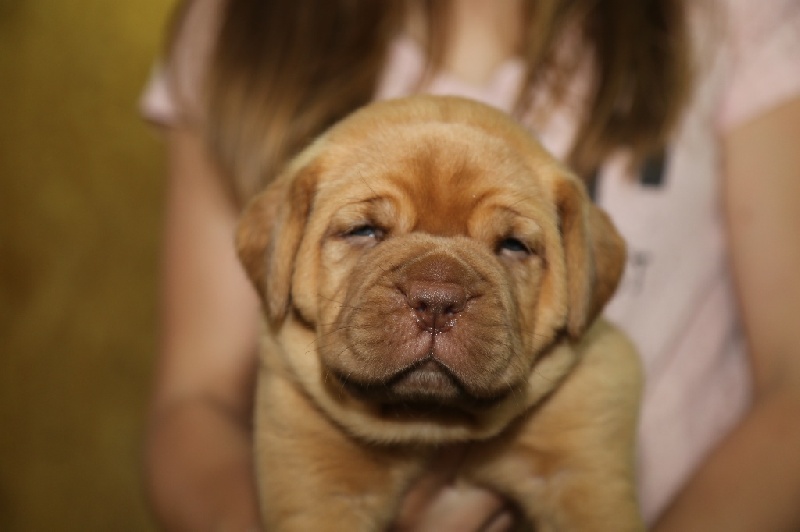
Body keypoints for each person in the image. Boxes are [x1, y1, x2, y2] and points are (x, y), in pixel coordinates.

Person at [140, 0, 800, 530]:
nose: (436, 291)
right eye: (366, 229)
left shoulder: (722, 15)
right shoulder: (237, 22)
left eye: (511, 243)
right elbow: (193, 402)